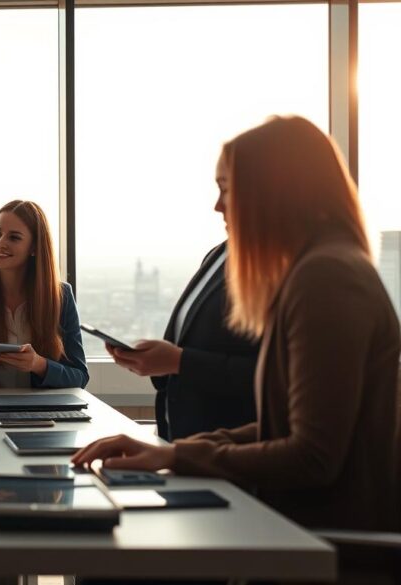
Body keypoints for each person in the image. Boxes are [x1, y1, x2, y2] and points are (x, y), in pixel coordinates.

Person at [73, 116, 400, 580]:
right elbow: (278, 428)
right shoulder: (318, 270)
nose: (217, 205)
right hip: (297, 530)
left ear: (276, 192)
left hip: (325, 547)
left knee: (111, 558)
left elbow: (312, 455)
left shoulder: (326, 279)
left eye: (228, 188)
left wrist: (180, 455)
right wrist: (173, 453)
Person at [105, 240, 259, 439]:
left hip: (227, 452)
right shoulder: (217, 255)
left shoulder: (283, 265)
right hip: (182, 445)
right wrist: (156, 362)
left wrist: (178, 361)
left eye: (232, 205)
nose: (218, 207)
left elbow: (270, 376)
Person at [0, 200, 88, 389]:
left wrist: (38, 364)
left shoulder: (61, 297)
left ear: (34, 248)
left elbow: (80, 377)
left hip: (43, 414)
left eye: (14, 237)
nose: (0, 243)